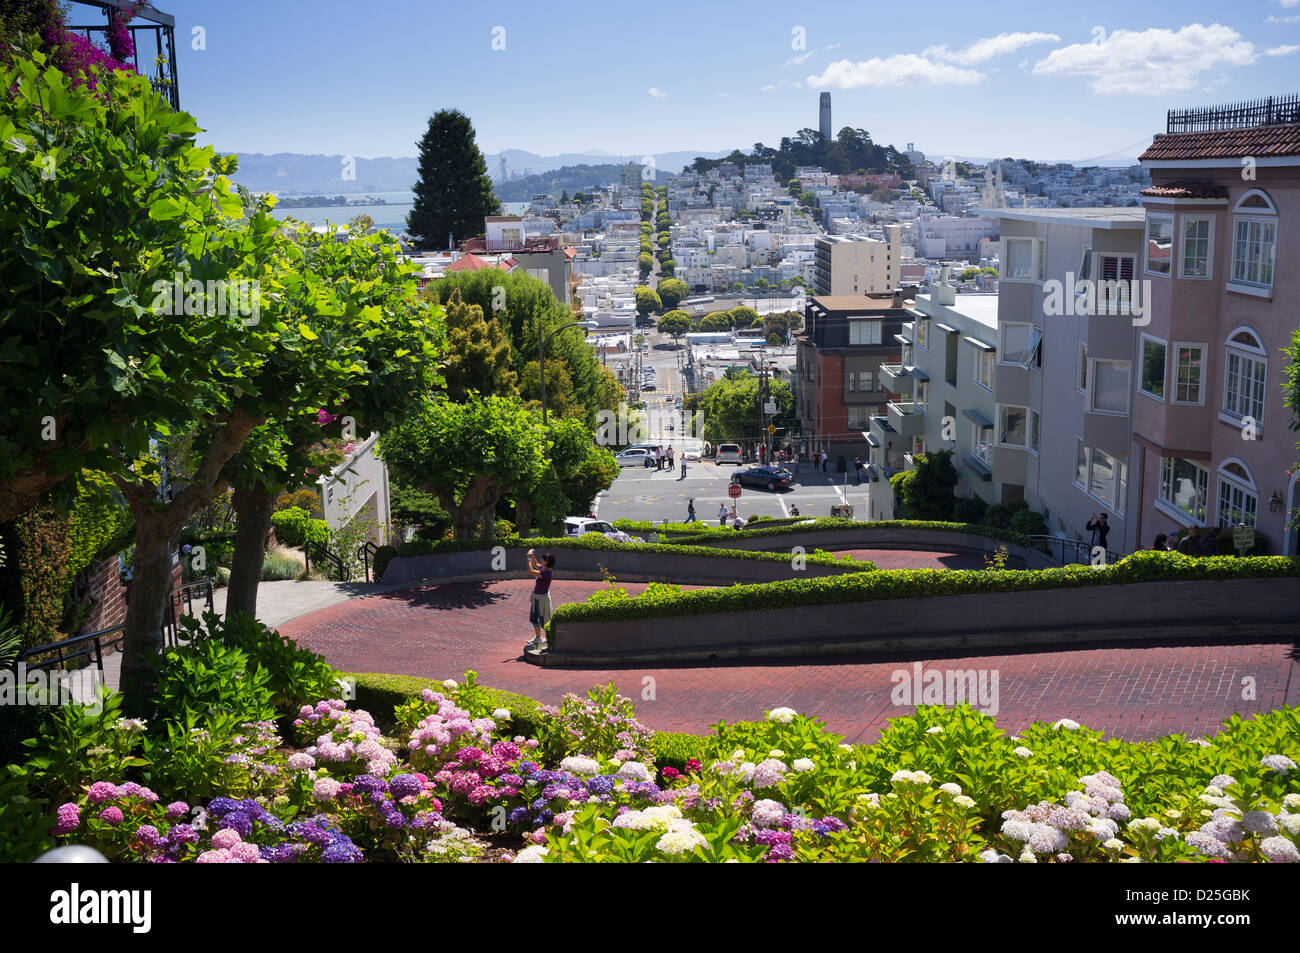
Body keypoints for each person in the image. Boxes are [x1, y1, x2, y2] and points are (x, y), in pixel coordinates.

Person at [524, 549, 555, 653]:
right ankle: (538, 638)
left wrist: (528, 558)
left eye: (543, 559)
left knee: (544, 623)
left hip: (542, 600)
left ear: (546, 562)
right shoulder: (544, 568)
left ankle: (551, 643)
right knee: (533, 619)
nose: (541, 560)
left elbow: (531, 571)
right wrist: (532, 555)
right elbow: (535, 564)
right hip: (536, 598)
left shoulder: (546, 573)